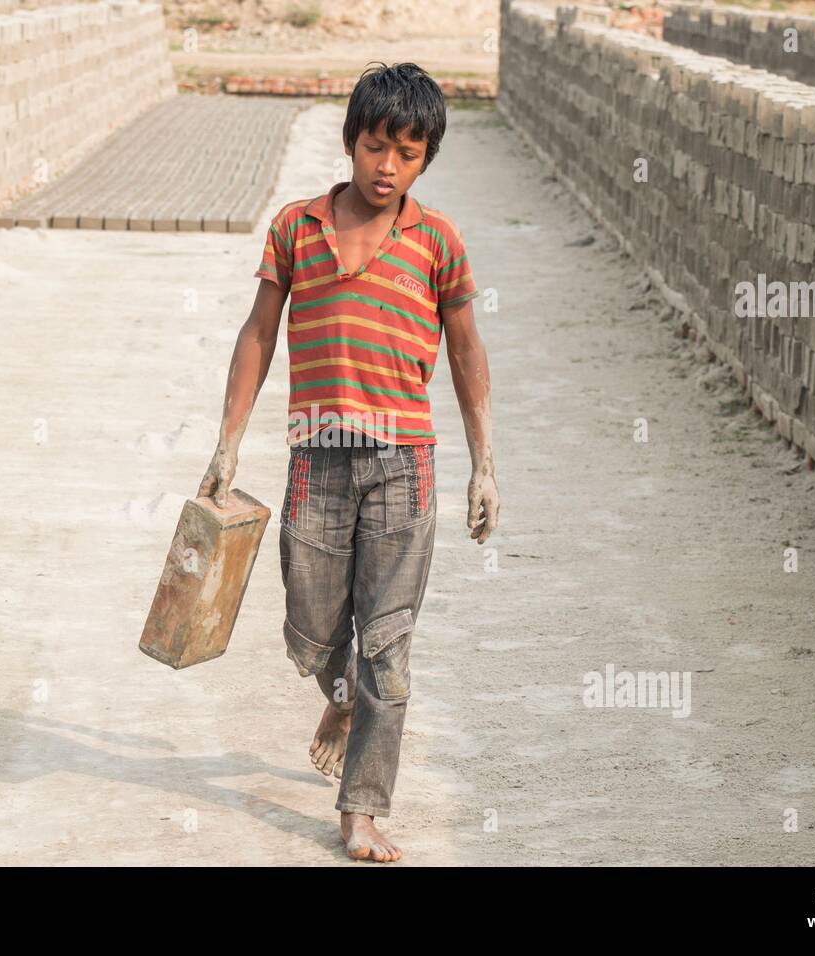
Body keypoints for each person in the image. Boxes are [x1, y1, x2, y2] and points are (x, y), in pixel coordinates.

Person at [198, 61, 500, 862]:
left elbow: (467, 351)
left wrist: (484, 464)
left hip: (404, 463)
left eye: (407, 153)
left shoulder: (438, 242)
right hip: (317, 460)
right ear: (349, 141)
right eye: (374, 147)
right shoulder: (296, 227)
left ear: (427, 157)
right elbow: (259, 332)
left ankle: (361, 808)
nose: (387, 167)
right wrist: (227, 442)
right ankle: (339, 692)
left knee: (388, 646)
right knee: (310, 626)